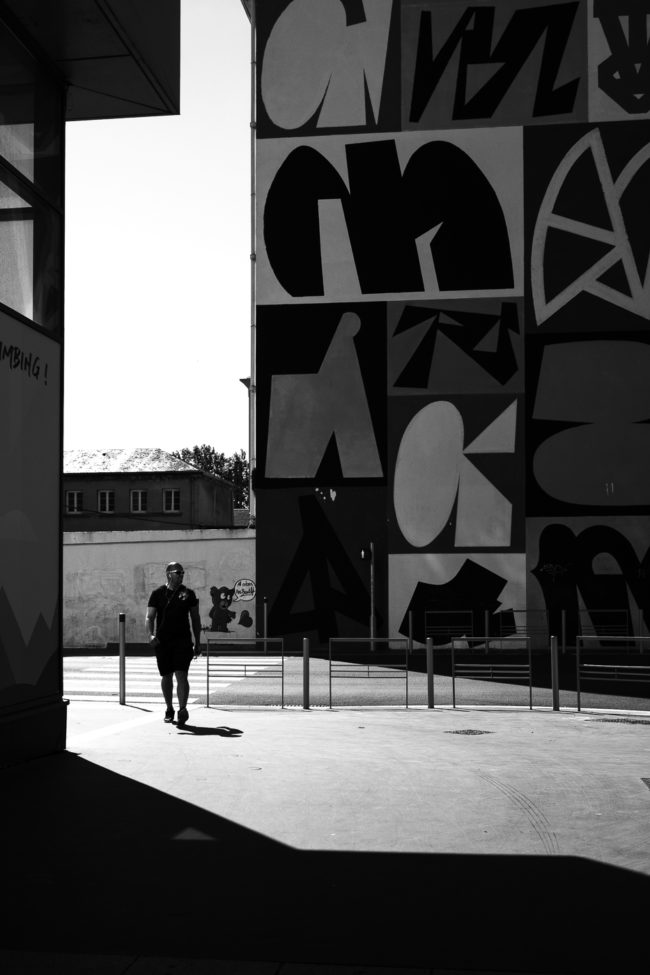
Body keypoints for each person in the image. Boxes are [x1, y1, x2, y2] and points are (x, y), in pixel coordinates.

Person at [145, 561, 202, 726]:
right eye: (178, 572)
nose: (182, 575)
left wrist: (197, 642)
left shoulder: (189, 594)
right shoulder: (157, 593)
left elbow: (195, 618)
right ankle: (169, 708)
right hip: (162, 641)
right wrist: (150, 635)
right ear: (169, 574)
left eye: (183, 572)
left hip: (183, 641)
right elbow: (150, 616)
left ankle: (182, 708)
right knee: (166, 676)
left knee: (181, 674)